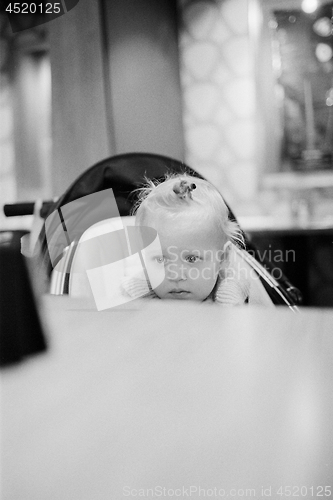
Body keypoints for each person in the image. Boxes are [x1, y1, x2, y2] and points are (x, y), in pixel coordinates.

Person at [121, 173, 261, 306]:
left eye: (191, 259)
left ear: (223, 258)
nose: (175, 275)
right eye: (160, 259)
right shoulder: (135, 294)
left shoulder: (231, 294)